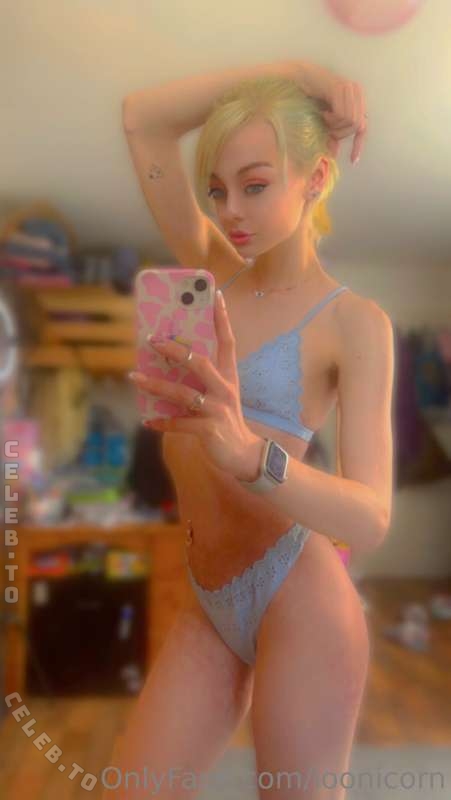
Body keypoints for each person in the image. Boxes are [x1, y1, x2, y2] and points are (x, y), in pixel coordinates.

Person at [110, 59, 394, 799]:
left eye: (255, 184)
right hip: (206, 593)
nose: (230, 210)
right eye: (217, 190)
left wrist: (249, 455)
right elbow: (143, 118)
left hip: (297, 597)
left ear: (315, 177)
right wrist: (295, 72)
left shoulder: (354, 323)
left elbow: (370, 519)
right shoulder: (211, 272)